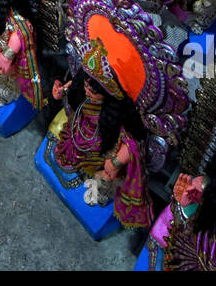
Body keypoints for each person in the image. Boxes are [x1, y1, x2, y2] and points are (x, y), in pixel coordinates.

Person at [47, 40, 153, 228]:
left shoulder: (119, 113)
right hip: (77, 132)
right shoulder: (83, 88)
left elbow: (134, 142)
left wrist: (116, 162)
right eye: (87, 86)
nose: (88, 93)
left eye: (94, 92)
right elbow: (72, 89)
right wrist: (61, 92)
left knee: (105, 179)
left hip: (103, 146)